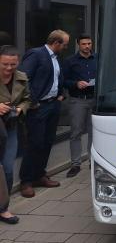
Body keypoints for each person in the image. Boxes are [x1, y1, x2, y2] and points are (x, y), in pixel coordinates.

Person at [18, 30, 69, 198]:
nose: (66, 47)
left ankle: (40, 175)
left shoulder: (56, 58)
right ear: (56, 42)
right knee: (35, 143)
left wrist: (61, 94)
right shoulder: (36, 54)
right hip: (38, 107)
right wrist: (32, 102)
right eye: (65, 44)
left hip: (53, 104)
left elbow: (57, 78)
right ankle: (26, 181)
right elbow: (23, 79)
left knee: (47, 142)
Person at [0, 45, 31, 224]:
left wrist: (20, 108)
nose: (9, 68)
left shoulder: (22, 78)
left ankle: (3, 208)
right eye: (5, 64)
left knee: (8, 168)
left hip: (10, 127)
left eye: (12, 64)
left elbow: (28, 99)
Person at [62, 35, 96, 178]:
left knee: (94, 132)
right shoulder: (70, 61)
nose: (87, 46)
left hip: (95, 100)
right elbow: (63, 80)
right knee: (76, 132)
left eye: (89, 43)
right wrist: (76, 84)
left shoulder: (98, 59)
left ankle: (93, 161)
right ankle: (75, 164)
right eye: (84, 44)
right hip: (78, 100)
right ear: (78, 45)